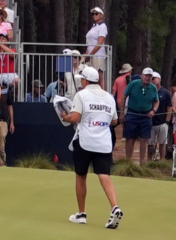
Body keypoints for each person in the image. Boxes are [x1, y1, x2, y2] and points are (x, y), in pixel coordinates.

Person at [57, 65, 122, 229]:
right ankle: (115, 206)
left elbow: (75, 117)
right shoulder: (108, 97)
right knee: (104, 175)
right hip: (104, 143)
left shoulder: (81, 95)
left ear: (85, 80)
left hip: (85, 142)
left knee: (81, 175)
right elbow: (114, 121)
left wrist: (64, 115)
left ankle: (82, 213)